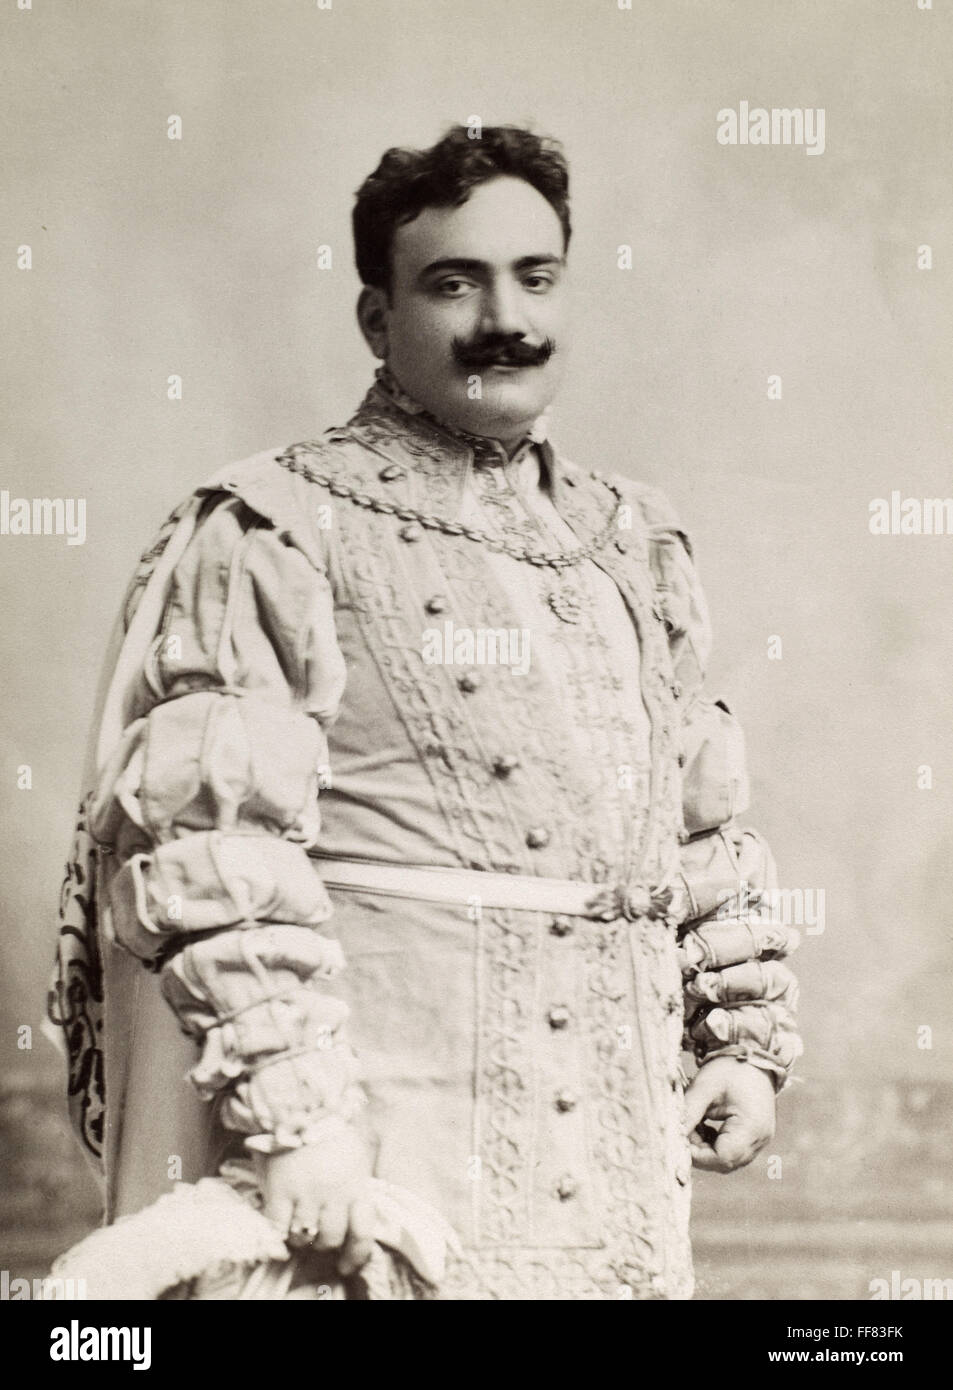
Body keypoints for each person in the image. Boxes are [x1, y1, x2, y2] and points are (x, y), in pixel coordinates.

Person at [47, 124, 801, 1300]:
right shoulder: (277, 527)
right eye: (454, 282)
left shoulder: (633, 543)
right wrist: (299, 1125)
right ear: (374, 317)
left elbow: (694, 833)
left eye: (533, 276)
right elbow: (212, 846)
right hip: (382, 1173)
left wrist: (738, 1048)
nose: (505, 318)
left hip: (615, 1172)